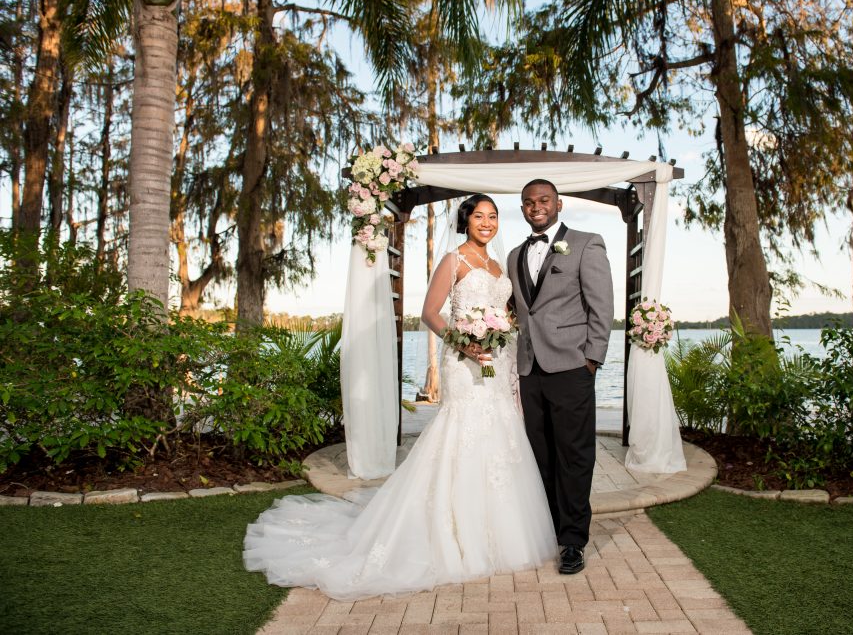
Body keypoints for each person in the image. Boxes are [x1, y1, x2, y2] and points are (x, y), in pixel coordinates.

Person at [243, 194, 556, 600]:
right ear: (466, 221)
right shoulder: (453, 260)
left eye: (493, 216)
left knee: (501, 432)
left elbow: (508, 310)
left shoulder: (500, 265)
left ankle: (500, 529)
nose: (487, 222)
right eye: (479, 216)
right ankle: (450, 531)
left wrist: (502, 337)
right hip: (463, 363)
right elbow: (430, 312)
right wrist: (463, 342)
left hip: (498, 361)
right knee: (462, 432)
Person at [507, 179, 614, 575]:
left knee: (574, 456)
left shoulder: (587, 243)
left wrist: (592, 361)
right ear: (523, 209)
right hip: (529, 370)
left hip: (571, 368)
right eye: (529, 202)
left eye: (544, 200)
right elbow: (522, 313)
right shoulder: (516, 254)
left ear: (559, 204)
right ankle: (549, 529)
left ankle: (573, 542)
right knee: (540, 457)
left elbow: (602, 308)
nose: (537, 206)